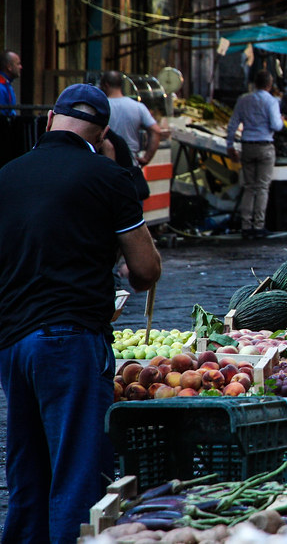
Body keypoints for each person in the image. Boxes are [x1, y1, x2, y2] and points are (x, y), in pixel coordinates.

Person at [0, 83, 162, 543]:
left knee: (28, 472)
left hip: (12, 344)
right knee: (77, 472)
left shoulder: (7, 174)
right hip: (70, 340)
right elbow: (145, 271)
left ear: (51, 119)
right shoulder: (108, 176)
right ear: (103, 133)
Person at [226, 70, 284, 239]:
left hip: (247, 146)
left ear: (255, 83)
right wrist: (281, 121)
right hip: (265, 146)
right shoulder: (271, 101)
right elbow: (276, 125)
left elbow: (233, 124)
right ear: (269, 85)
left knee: (249, 187)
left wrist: (230, 145)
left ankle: (246, 226)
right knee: (262, 187)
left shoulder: (243, 100)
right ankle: (258, 225)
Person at [100, 70, 161, 168]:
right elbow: (156, 131)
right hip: (131, 164)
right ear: (121, 85)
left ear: (105, 85)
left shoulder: (101, 107)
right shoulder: (138, 107)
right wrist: (146, 158)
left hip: (106, 165)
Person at [0, 50, 21, 116]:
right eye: (18, 64)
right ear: (9, 67)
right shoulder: (1, 86)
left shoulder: (6, 84)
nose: (20, 67)